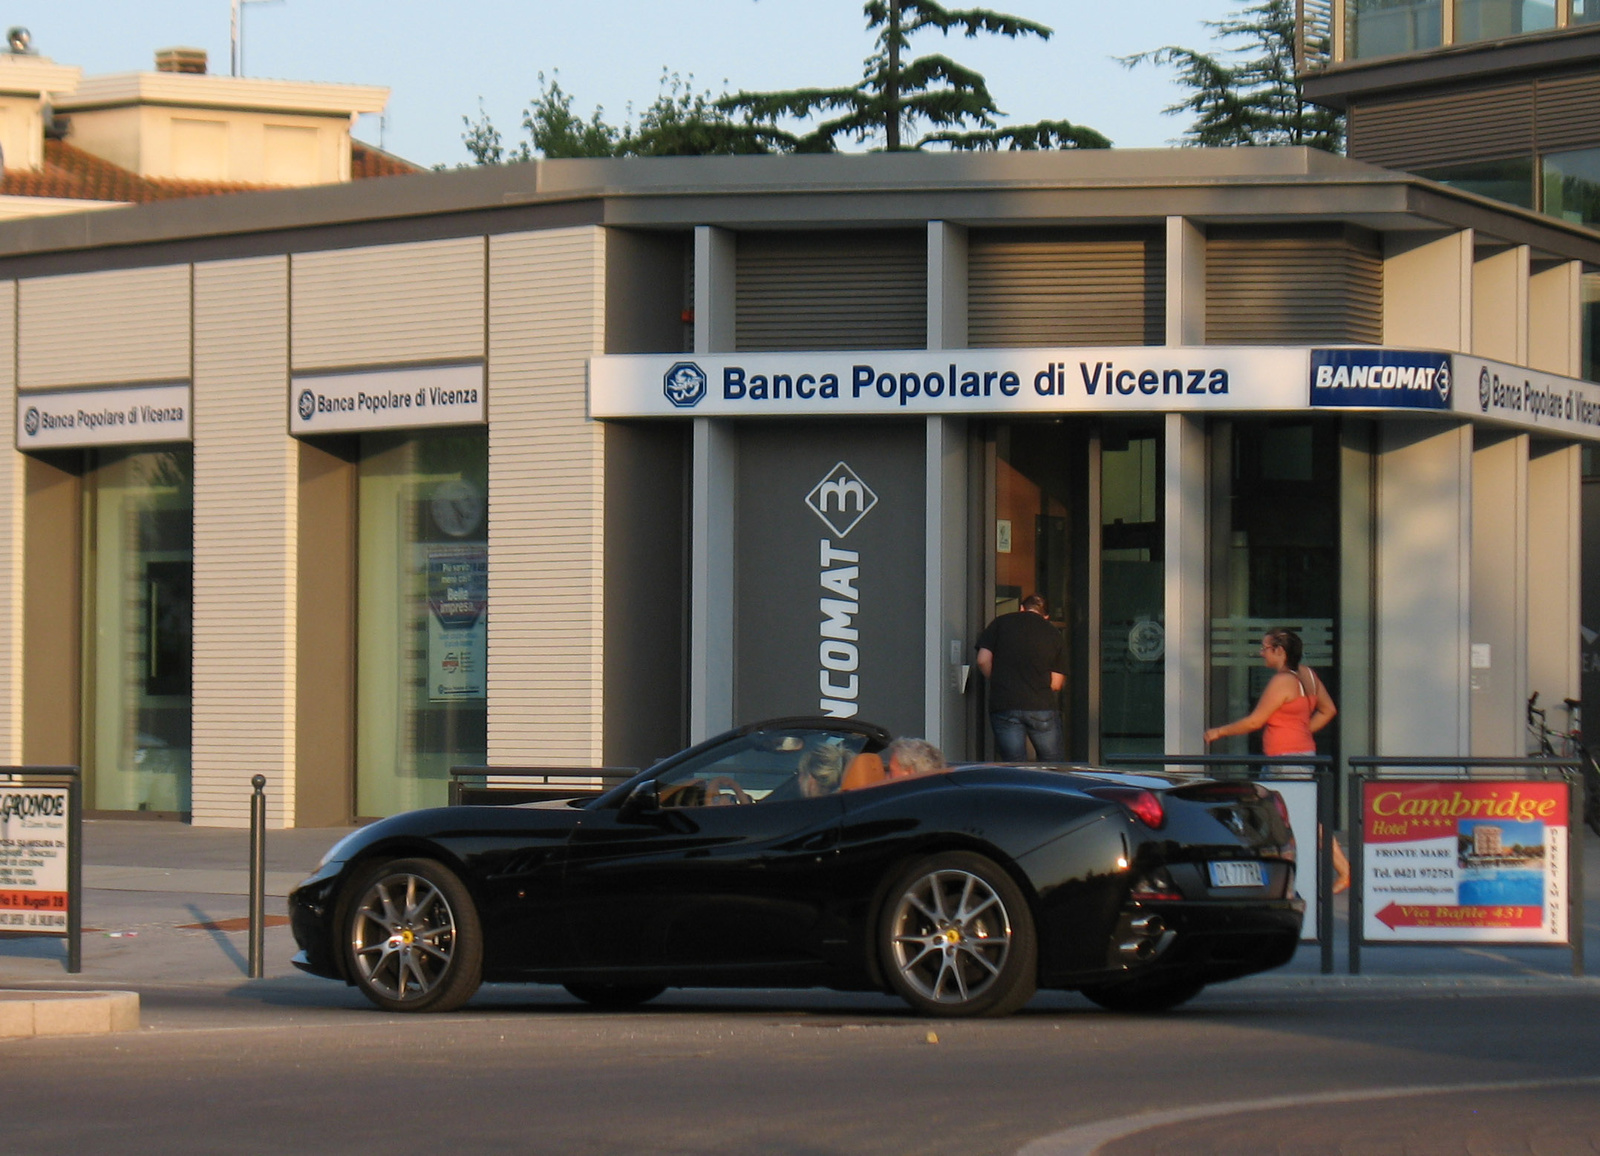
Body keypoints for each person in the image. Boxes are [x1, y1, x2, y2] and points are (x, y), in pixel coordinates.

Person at [1203, 626, 1350, 892]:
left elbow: (1256, 720)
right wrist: (1303, 730)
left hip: (1285, 760)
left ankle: (1295, 872)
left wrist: (1219, 731)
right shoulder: (1308, 676)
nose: (1261, 654)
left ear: (1279, 651)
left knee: (1277, 814)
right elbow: (1328, 710)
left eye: (1264, 648)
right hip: (1302, 754)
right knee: (1291, 815)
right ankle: (1333, 869)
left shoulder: (1282, 682)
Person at [975, 593, 1066, 762]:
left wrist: (997, 680)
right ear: (1046, 616)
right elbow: (1056, 683)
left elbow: (982, 660)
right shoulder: (1053, 633)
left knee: (1014, 764)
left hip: (1005, 703)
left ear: (1021, 608)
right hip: (1041, 705)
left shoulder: (1000, 623)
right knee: (1053, 764)